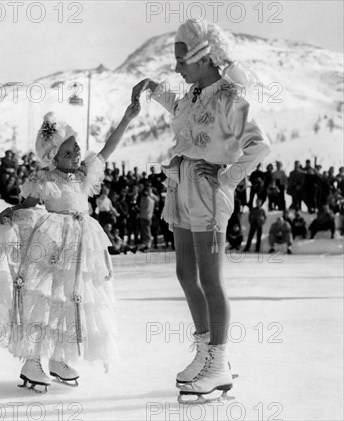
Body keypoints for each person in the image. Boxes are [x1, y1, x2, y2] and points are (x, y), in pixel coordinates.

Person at [131, 18, 270, 401]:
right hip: (181, 186)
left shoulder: (230, 97)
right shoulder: (194, 94)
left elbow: (260, 145)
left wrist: (226, 176)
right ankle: (206, 352)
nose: (177, 67)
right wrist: (152, 88)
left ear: (202, 57)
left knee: (210, 279)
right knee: (184, 273)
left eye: (181, 60)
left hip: (209, 193)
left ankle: (220, 363)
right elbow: (179, 108)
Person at [0, 103, 140, 392]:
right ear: (53, 158)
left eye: (76, 148)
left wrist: (127, 118)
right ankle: (31, 359)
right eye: (67, 153)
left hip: (82, 242)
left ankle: (57, 356)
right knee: (44, 298)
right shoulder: (44, 179)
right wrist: (9, 213)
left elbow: (106, 150)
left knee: (70, 297)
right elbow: (27, 204)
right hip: (53, 241)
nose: (76, 154)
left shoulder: (84, 173)